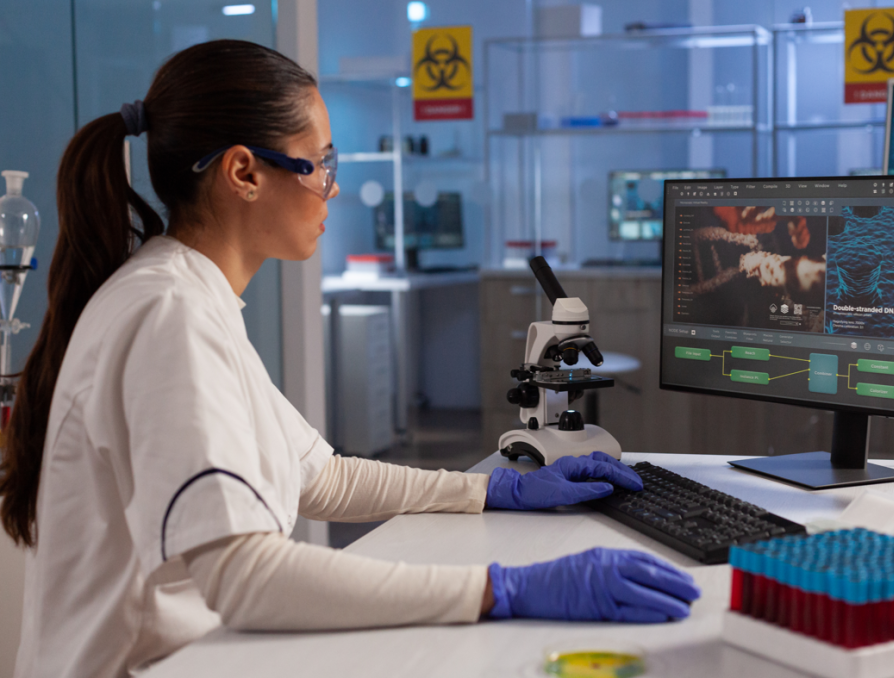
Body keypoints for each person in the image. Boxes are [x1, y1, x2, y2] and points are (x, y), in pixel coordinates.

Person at [0, 40, 700, 678]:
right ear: (244, 172)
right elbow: (242, 576)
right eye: (322, 164)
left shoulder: (187, 296)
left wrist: (489, 491)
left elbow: (318, 477)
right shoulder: (168, 314)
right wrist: (501, 589)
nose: (331, 188)